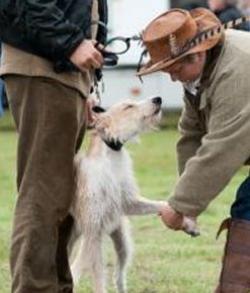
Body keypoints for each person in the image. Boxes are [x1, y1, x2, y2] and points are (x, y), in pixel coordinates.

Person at [137, 8, 250, 292]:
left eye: (175, 70)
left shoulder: (237, 71)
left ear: (197, 54)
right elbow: (191, 134)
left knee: (248, 207)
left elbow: (222, 147)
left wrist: (181, 206)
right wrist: (187, 206)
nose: (173, 79)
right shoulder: (199, 74)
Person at [0, 0, 108, 292]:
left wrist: (88, 82)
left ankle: (55, 285)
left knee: (60, 193)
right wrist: (71, 44)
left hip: (64, 71)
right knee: (44, 191)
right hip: (45, 67)